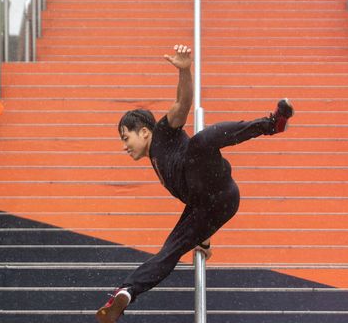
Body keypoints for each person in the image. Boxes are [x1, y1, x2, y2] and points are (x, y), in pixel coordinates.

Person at [96, 44, 294, 323]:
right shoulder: (156, 163)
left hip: (212, 177)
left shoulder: (163, 132)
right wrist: (204, 237)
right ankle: (126, 291)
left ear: (144, 131)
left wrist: (184, 70)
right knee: (170, 250)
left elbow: (183, 103)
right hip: (215, 204)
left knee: (202, 140)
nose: (124, 146)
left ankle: (270, 124)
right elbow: (198, 201)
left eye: (126, 138)